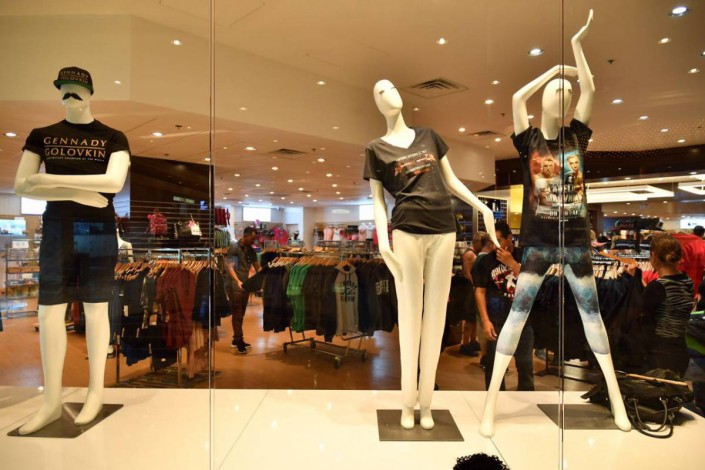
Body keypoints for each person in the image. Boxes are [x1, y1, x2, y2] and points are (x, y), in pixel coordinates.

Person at [479, 10, 631, 437]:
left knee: (592, 316)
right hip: (538, 241)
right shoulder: (528, 140)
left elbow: (591, 89)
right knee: (517, 316)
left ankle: (617, 400)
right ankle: (490, 405)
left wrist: (578, 47)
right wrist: (551, 70)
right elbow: (515, 99)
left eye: (566, 89)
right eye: (555, 89)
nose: (563, 91)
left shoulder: (576, 137)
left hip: (577, 241)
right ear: (545, 98)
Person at [365, 79, 499, 430]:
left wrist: (482, 206)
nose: (389, 95)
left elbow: (450, 181)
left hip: (444, 228)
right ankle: (406, 403)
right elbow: (377, 201)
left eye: (391, 88)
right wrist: (383, 242)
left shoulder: (428, 136)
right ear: (376, 103)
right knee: (410, 317)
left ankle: (426, 404)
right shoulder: (376, 148)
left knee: (436, 318)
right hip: (406, 230)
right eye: (380, 92)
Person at [14, 66, 130, 434]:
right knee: (49, 309)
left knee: (96, 307)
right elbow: (21, 186)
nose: (69, 95)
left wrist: (47, 180)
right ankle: (51, 401)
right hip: (58, 227)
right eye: (63, 89)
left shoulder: (112, 137)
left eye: (76, 89)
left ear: (91, 92)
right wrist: (82, 192)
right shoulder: (42, 135)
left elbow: (113, 183)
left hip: (97, 228)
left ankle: (96, 391)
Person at [475, 222, 534, 391]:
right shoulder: (486, 261)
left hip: (523, 321)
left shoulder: (525, 256)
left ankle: (527, 402)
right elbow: (480, 291)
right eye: (492, 241)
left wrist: (512, 264)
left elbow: (532, 285)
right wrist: (485, 321)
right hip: (497, 321)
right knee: (495, 368)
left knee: (525, 365)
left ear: (509, 238)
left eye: (499, 240)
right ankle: (494, 401)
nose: (495, 246)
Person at [628, 233, 695, 377]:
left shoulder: (658, 287)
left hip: (660, 351)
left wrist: (631, 281)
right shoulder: (687, 281)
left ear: (653, 256)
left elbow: (637, 311)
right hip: (680, 348)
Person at [226, 226, 262, 354]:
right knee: (237, 312)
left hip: (245, 284)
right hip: (233, 284)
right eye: (252, 238)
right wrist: (237, 281)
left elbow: (258, 267)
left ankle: (236, 339)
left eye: (255, 238)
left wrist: (267, 274)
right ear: (245, 235)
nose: (254, 241)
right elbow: (230, 267)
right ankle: (239, 340)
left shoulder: (251, 251)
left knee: (241, 313)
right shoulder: (234, 248)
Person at [458, 231, 492, 356]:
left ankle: (473, 341)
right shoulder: (469, 254)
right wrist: (475, 286)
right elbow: (466, 273)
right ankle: (465, 344)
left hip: (474, 288)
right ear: (476, 242)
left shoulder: (476, 254)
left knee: (474, 317)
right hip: (469, 289)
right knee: (469, 318)